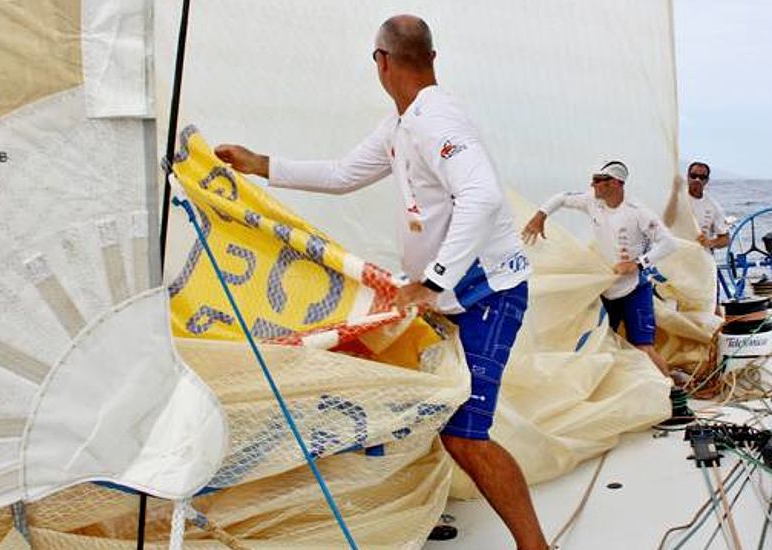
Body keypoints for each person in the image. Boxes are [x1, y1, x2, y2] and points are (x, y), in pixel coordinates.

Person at [214, 15, 548, 550]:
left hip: (488, 293)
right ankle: (423, 505)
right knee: (428, 404)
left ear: (381, 62)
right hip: (453, 293)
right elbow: (345, 173)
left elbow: (482, 197)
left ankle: (536, 546)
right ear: (431, 59)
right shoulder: (402, 123)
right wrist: (262, 164)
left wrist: (432, 281)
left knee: (465, 433)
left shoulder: (437, 120)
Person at [521, 161, 687, 388]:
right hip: (607, 288)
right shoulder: (592, 202)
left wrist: (638, 264)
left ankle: (673, 394)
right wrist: (540, 217)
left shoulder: (637, 212)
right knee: (599, 343)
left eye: (598, 180)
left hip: (634, 288)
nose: (593, 184)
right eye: (593, 179)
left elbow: (668, 244)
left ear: (616, 183)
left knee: (643, 347)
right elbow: (560, 198)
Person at [686, 162, 729, 251]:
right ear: (687, 176)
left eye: (702, 177)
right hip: (673, 256)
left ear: (707, 180)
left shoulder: (713, 206)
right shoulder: (674, 198)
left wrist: (710, 243)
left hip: (700, 256)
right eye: (693, 176)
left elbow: (725, 239)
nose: (697, 180)